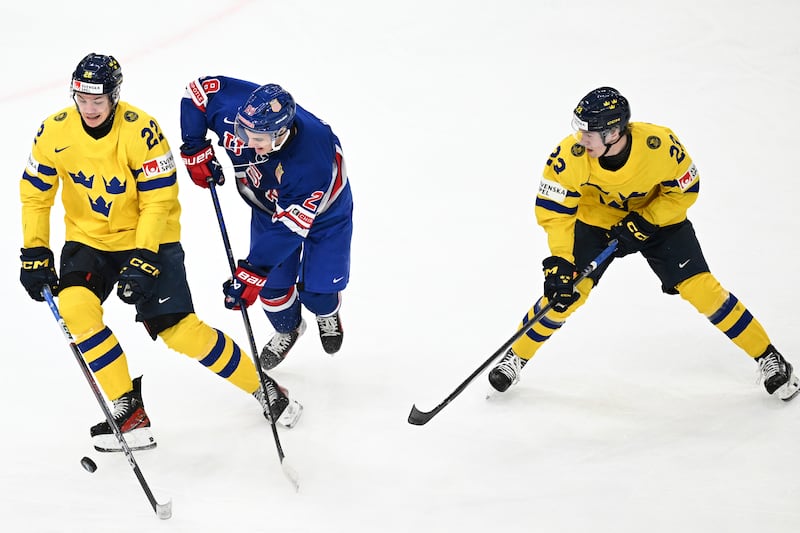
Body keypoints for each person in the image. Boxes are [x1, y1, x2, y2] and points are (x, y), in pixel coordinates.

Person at [19, 54, 302, 453]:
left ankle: (263, 387)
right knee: (75, 307)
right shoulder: (54, 131)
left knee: (179, 330)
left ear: (115, 96)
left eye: (99, 100)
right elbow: (35, 194)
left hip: (150, 238)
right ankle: (128, 410)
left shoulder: (142, 131)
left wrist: (145, 255)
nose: (90, 108)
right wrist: (35, 248)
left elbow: (158, 200)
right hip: (89, 241)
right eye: (82, 98)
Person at [488, 86, 799, 402]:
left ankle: (769, 357)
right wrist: (561, 261)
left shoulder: (659, 144)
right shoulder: (569, 157)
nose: (581, 139)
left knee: (701, 289)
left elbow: (686, 190)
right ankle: (516, 356)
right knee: (566, 293)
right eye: (578, 129)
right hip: (596, 222)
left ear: (614, 132)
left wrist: (648, 218)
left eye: (590, 132)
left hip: (658, 221)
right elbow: (556, 213)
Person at [179, 76, 353, 372]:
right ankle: (289, 330)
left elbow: (289, 230)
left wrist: (252, 271)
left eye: (257, 139)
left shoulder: (310, 160)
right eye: (244, 133)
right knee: (272, 289)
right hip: (268, 208)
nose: (248, 143)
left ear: (281, 133)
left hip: (326, 215)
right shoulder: (240, 113)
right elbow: (198, 93)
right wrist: (194, 147)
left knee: (318, 292)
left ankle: (327, 312)